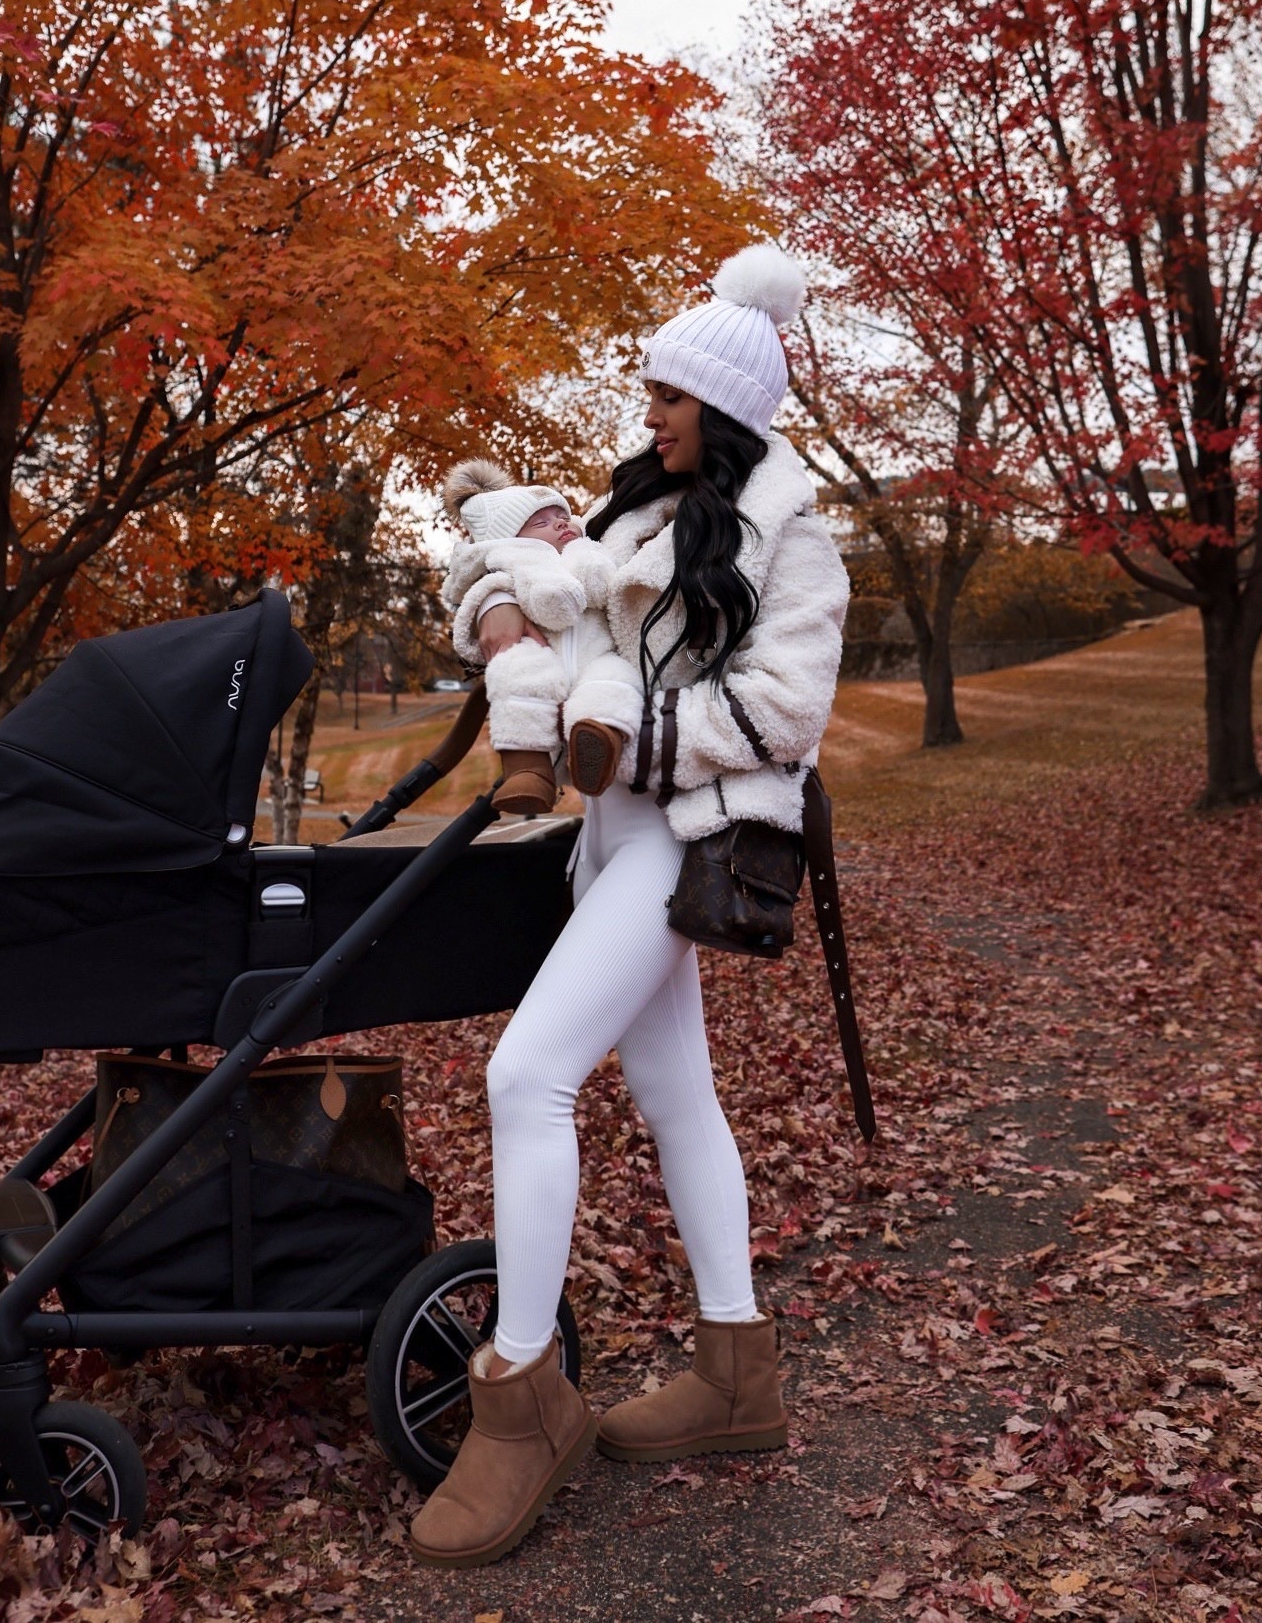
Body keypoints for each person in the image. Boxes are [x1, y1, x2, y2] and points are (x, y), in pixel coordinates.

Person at [410, 244, 850, 1569]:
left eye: (667, 396)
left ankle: (523, 1391)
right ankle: (735, 1374)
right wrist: (494, 611)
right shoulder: (632, 517)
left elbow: (785, 712)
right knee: (674, 1095)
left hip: (684, 837)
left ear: (721, 412)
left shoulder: (791, 534)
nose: (647, 414)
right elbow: (539, 604)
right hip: (605, 841)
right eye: (651, 389)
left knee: (524, 1077)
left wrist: (636, 740)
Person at [440, 461, 642, 814]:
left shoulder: (588, 550)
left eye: (561, 516)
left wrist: (586, 556)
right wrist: (497, 598)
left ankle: (599, 739)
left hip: (595, 656)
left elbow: (604, 588)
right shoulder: (511, 563)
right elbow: (485, 595)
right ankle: (527, 770)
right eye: (541, 522)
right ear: (512, 539)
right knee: (517, 675)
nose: (561, 524)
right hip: (537, 651)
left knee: (615, 679)